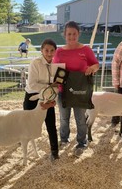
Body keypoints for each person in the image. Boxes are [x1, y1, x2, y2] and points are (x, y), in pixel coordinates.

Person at [53, 21, 99, 156]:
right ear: (64, 35)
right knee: (64, 118)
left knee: (80, 119)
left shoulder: (86, 50)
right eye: (69, 34)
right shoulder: (59, 51)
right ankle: (64, 139)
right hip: (63, 91)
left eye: (74, 34)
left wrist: (92, 68)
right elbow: (56, 71)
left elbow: (96, 64)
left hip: (81, 91)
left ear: (78, 34)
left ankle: (81, 142)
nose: (71, 37)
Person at [23, 38, 59, 161]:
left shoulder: (57, 65)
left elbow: (58, 85)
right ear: (41, 50)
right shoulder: (35, 63)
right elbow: (32, 84)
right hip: (32, 97)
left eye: (52, 50)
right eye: (46, 50)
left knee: (51, 124)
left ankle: (55, 151)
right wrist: (49, 88)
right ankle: (24, 149)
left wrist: (53, 97)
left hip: (48, 97)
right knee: (28, 125)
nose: (49, 53)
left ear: (55, 51)